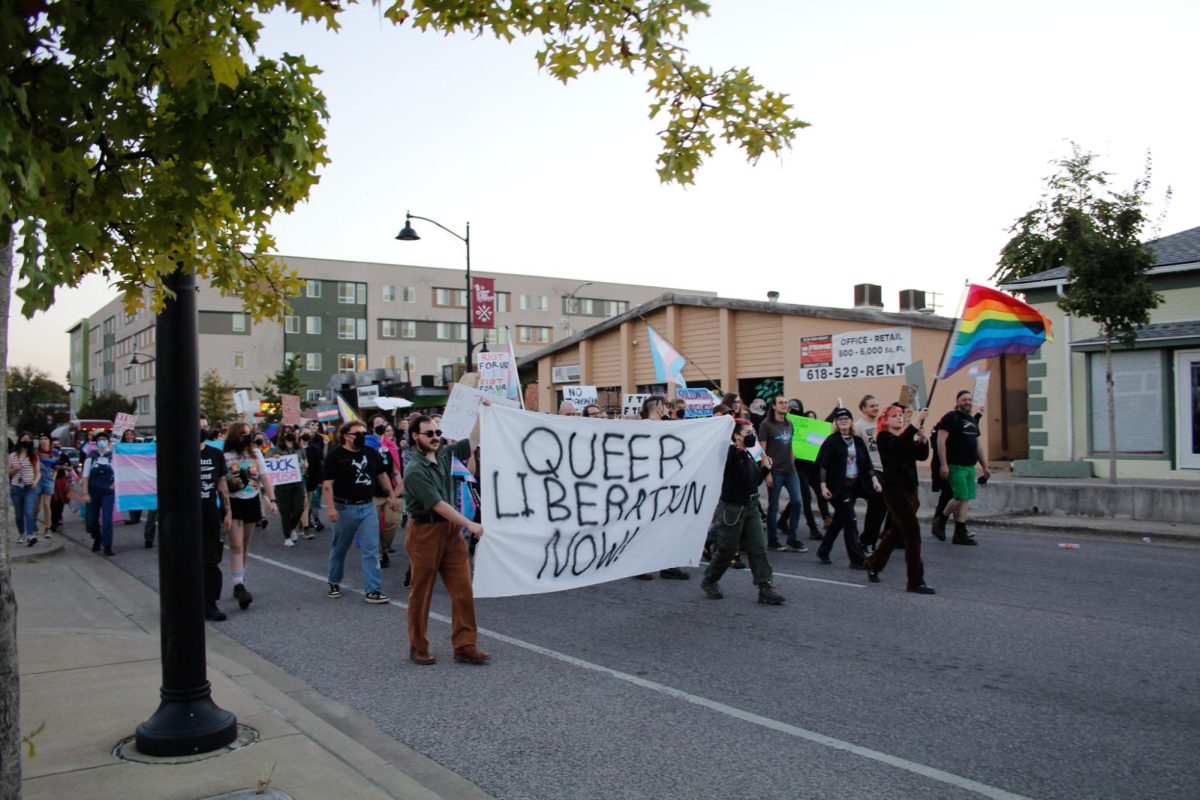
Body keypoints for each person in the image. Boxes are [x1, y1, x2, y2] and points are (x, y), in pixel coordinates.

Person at [403, 414, 489, 665]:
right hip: (425, 533)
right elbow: (438, 505)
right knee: (422, 592)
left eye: (437, 433)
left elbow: (472, 441)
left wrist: (481, 413)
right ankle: (418, 646)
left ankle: (465, 644)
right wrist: (469, 523)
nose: (435, 438)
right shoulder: (414, 469)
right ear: (415, 437)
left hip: (450, 533)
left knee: (463, 590)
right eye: (429, 434)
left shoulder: (445, 454)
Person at [700, 419, 786, 605]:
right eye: (747, 433)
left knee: (759, 547)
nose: (752, 436)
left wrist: (764, 467)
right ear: (736, 436)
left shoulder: (748, 454)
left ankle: (765, 587)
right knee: (727, 549)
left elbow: (753, 482)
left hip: (750, 506)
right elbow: (729, 467)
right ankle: (710, 579)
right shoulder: (729, 453)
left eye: (752, 432)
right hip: (733, 508)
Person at [321, 419, 399, 604]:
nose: (362, 437)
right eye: (358, 434)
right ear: (346, 437)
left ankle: (373, 589)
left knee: (371, 549)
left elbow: (382, 474)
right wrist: (331, 509)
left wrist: (391, 496)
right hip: (344, 508)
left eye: (364, 434)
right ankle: (333, 581)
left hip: (367, 507)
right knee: (340, 548)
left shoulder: (371, 453)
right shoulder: (335, 456)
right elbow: (327, 485)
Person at [865, 404, 935, 594]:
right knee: (913, 534)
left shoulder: (905, 437)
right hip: (895, 491)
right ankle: (915, 581)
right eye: (895, 416)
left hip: (910, 490)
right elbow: (897, 447)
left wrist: (922, 439)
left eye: (901, 416)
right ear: (885, 420)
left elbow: (921, 455)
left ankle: (873, 563)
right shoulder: (884, 438)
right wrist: (914, 424)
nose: (899, 418)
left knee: (896, 532)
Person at [634, 396, 689, 580]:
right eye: (666, 406)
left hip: (667, 485)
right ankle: (637, 566)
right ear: (658, 407)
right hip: (646, 486)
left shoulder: (669, 426)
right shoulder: (641, 427)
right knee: (645, 527)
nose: (669, 409)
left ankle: (668, 565)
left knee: (668, 525)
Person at [224, 421, 277, 609]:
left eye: (248, 433)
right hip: (233, 501)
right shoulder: (226, 455)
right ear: (235, 436)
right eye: (243, 434)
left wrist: (272, 500)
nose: (247, 437)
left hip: (252, 499)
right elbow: (222, 480)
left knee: (245, 544)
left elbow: (264, 477)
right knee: (236, 545)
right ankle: (238, 584)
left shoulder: (256, 454)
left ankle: (240, 578)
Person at [815, 408, 878, 568]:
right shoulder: (831, 441)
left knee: (839, 520)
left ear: (851, 421)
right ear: (836, 423)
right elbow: (823, 465)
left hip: (854, 485)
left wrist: (874, 479)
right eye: (840, 419)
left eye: (846, 418)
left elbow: (867, 463)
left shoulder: (857, 441)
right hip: (837, 488)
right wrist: (823, 486)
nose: (843, 421)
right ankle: (856, 559)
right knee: (850, 520)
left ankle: (823, 550)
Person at [933, 390, 990, 545]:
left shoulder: (972, 420)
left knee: (965, 499)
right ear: (957, 401)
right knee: (960, 497)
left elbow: (977, 445)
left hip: (969, 466)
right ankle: (941, 520)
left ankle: (960, 533)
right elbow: (941, 442)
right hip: (954, 465)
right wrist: (944, 464)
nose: (967, 402)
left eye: (970, 399)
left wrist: (985, 466)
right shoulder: (950, 417)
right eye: (964, 399)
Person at [757, 395, 807, 552]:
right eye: (781, 403)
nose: (785, 405)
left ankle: (792, 539)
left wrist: (792, 456)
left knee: (797, 502)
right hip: (775, 471)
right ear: (773, 406)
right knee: (773, 506)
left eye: (786, 403)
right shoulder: (766, 425)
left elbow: (789, 444)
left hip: (790, 470)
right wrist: (767, 473)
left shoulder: (789, 423)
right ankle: (772, 539)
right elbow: (762, 451)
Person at [199, 414, 234, 620]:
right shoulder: (178, 453)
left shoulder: (215, 454)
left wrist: (227, 511)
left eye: (205, 426)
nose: (202, 430)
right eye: (198, 426)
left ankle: (210, 603)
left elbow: (221, 483)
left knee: (211, 561)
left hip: (209, 514)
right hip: (186, 518)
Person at [854, 395, 887, 553]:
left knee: (883, 508)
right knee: (876, 506)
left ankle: (871, 538)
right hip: (872, 471)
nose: (875, 408)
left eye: (877, 405)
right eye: (872, 405)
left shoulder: (883, 423)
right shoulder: (858, 427)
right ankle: (866, 541)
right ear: (863, 408)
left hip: (887, 470)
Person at [80, 432, 115, 554]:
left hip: (107, 492)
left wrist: (114, 485)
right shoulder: (91, 457)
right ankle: (97, 537)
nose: (102, 441)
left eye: (104, 439)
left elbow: (119, 473)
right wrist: (85, 493)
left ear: (108, 441)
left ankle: (107, 545)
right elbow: (85, 476)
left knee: (107, 519)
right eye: (100, 439)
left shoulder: (113, 456)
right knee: (92, 519)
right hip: (93, 491)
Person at [274, 427, 308, 547]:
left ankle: (293, 527)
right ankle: (287, 536)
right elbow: (268, 461)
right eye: (287, 432)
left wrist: (305, 465)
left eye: (292, 432)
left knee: (299, 508)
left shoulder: (299, 449)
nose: (290, 434)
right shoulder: (276, 449)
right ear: (282, 435)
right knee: (285, 511)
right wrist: (274, 458)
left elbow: (305, 461)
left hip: (298, 483)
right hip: (282, 485)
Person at [8, 437, 41, 546]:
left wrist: (35, 481)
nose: (26, 441)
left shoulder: (33, 456)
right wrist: (14, 469)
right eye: (24, 439)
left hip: (29, 487)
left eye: (28, 439)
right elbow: (8, 473)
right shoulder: (12, 456)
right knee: (19, 514)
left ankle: (30, 535)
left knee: (29, 511)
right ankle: (21, 533)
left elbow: (38, 472)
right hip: (16, 487)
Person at [304, 421, 327, 533]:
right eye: (312, 425)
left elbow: (323, 456)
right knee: (307, 498)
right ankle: (308, 520)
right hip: (305, 472)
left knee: (315, 496)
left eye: (316, 425)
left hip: (317, 470)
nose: (315, 427)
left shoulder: (320, 439)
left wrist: (326, 444)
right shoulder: (302, 441)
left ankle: (315, 519)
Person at [35, 434, 59, 538]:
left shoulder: (54, 452)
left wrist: (53, 477)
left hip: (48, 479)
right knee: (36, 507)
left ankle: (47, 527)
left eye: (45, 439)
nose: (43, 441)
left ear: (49, 441)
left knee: (46, 505)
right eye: (41, 439)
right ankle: (33, 522)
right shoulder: (36, 452)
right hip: (38, 479)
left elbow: (57, 466)